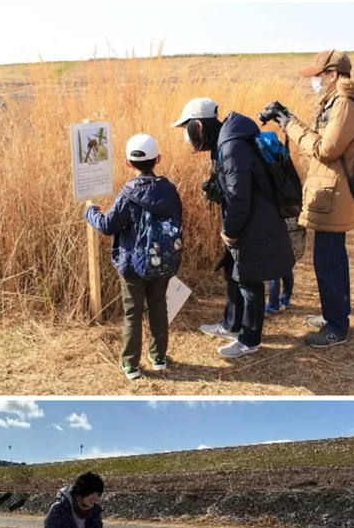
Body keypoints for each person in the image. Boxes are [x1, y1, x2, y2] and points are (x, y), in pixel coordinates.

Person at [171, 98, 294, 358]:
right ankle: (231, 324)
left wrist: (230, 230)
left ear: (199, 127)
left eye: (187, 128)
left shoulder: (232, 146)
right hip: (250, 219)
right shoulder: (226, 141)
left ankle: (249, 339)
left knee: (250, 280)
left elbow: (240, 196)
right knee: (233, 272)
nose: (186, 135)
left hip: (255, 222)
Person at [268, 50, 354, 348]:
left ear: (333, 74)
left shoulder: (343, 104)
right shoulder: (342, 102)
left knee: (327, 262)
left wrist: (290, 124)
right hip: (334, 190)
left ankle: (336, 328)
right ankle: (336, 316)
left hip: (334, 192)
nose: (314, 81)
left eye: (318, 75)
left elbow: (327, 150)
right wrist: (291, 120)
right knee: (335, 258)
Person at [85, 134, 182, 380]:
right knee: (159, 308)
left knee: (133, 313)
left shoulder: (128, 194)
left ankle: (131, 364)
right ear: (158, 159)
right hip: (163, 260)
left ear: (128, 163)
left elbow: (108, 225)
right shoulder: (170, 191)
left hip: (132, 265)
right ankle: (158, 357)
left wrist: (90, 212)